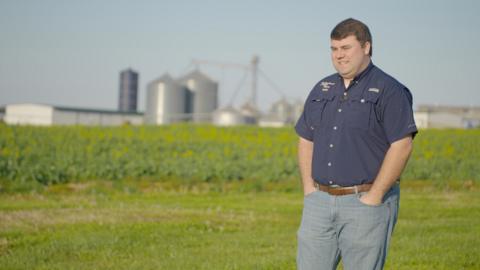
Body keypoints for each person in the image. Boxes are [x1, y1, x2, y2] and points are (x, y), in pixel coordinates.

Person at [294, 18, 418, 270]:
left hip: (365, 202)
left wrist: (375, 196)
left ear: (366, 47)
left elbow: (402, 145)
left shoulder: (389, 90)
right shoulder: (322, 89)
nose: (339, 55)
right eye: (334, 49)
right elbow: (306, 138)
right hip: (319, 202)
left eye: (346, 48)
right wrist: (309, 189)